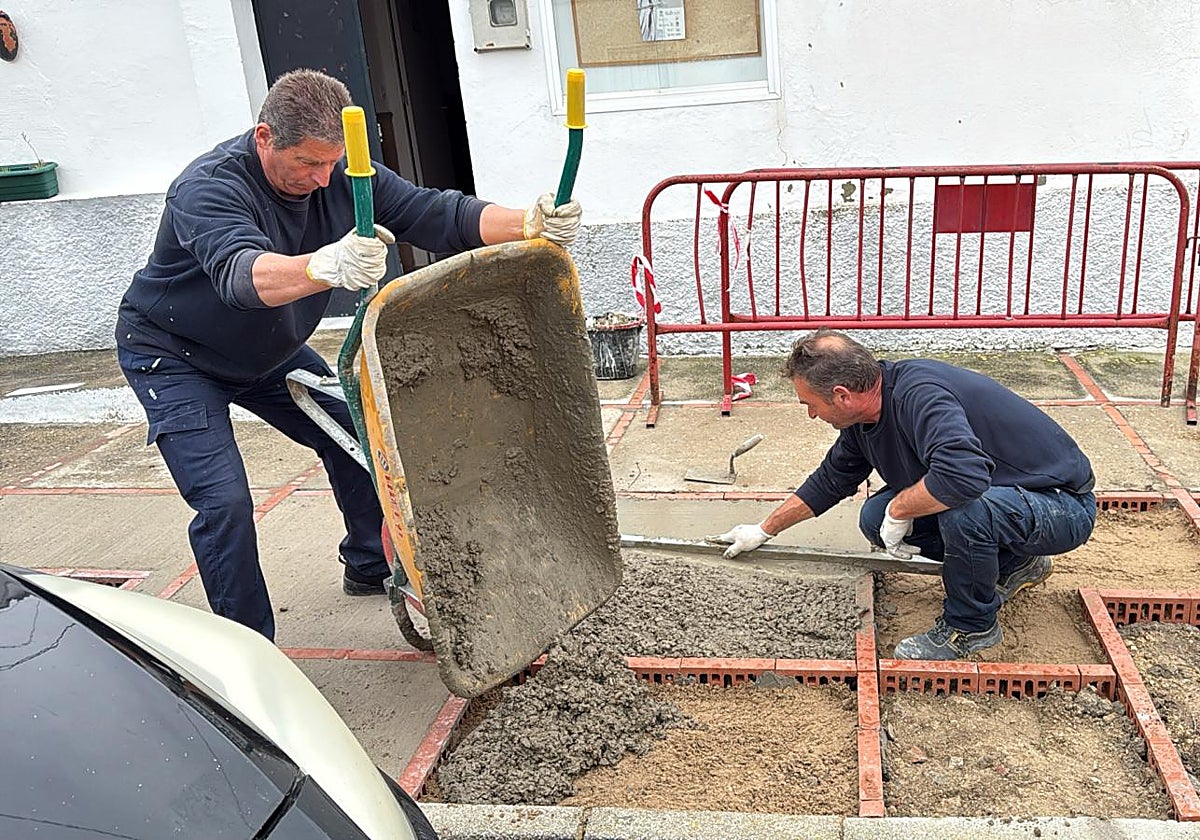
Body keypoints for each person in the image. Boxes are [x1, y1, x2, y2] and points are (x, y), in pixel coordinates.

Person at [116, 69, 582, 641]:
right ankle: (249, 652)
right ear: (265, 138)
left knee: (359, 437)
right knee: (225, 501)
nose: (323, 178)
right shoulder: (208, 188)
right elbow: (240, 277)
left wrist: (526, 223)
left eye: (332, 163)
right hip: (176, 355)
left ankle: (367, 562)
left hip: (268, 351)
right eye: (308, 164)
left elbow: (433, 213)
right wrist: (322, 266)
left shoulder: (343, 174)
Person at [709, 328, 1096, 660]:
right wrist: (763, 530)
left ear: (841, 395)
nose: (811, 415)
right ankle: (1017, 564)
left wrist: (900, 508)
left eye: (810, 405)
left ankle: (972, 626)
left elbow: (964, 476)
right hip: (1008, 499)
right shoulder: (866, 415)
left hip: (1059, 504)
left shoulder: (920, 396)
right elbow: (830, 480)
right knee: (874, 520)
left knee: (966, 512)